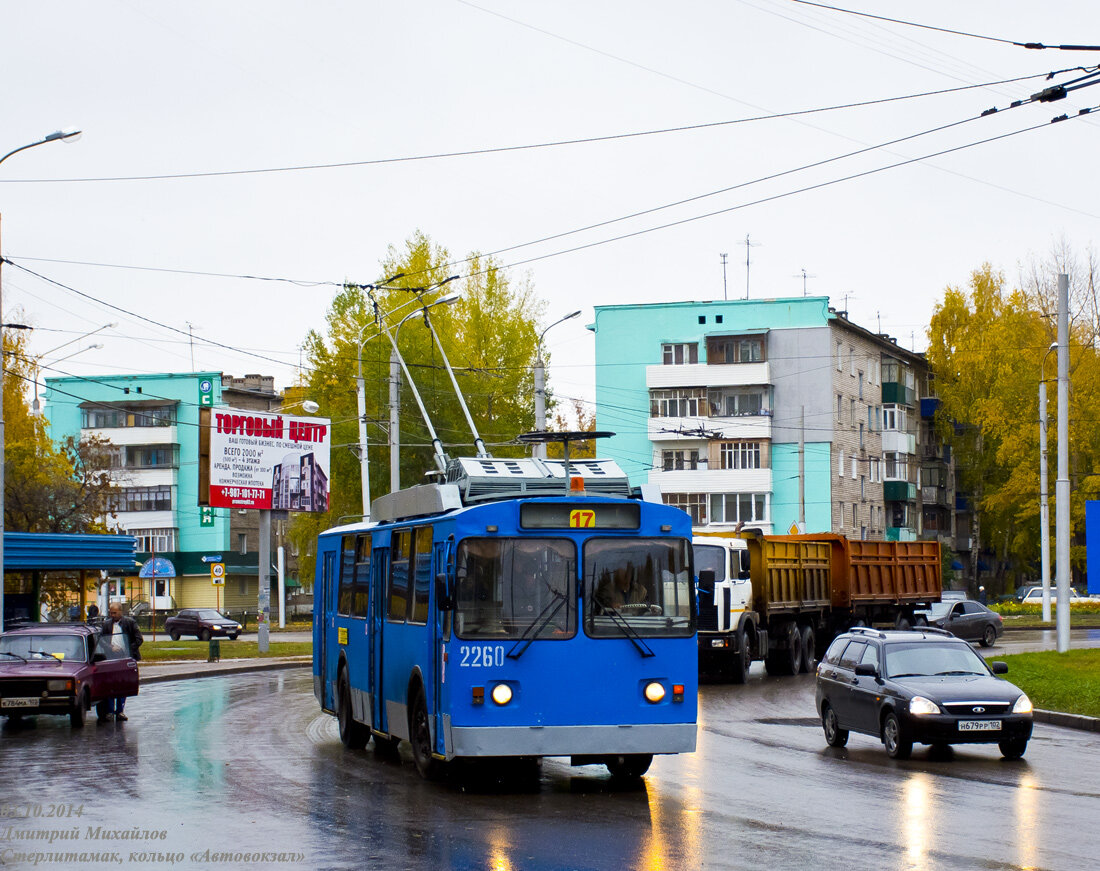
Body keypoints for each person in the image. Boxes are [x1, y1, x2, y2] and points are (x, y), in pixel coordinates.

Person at [99, 603, 143, 722]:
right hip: (110, 657)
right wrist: (110, 647)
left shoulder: (130, 623)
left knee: (122, 684)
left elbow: (139, 639)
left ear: (120, 612)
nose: (112, 615)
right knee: (110, 684)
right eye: (111, 613)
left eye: (115, 613)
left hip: (125, 657)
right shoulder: (106, 624)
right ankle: (110, 711)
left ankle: (120, 711)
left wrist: (128, 649)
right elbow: (101, 640)